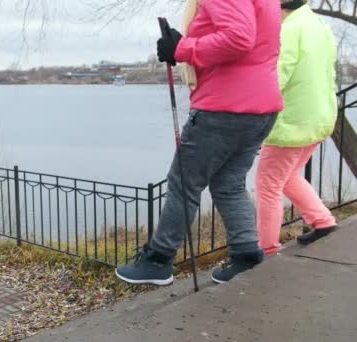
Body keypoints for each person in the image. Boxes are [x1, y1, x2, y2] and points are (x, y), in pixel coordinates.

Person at [116, 0, 283, 285]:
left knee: (183, 182)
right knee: (228, 183)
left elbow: (238, 38)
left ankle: (158, 259)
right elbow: (250, 39)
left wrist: (181, 49)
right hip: (261, 107)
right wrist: (182, 45)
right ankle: (246, 254)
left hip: (225, 107)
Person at [257, 0, 338, 257]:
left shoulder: (288, 30)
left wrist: (250, 102)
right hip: (318, 118)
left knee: (267, 184)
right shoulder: (317, 24)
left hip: (291, 123)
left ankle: (266, 250)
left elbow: (277, 75)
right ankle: (323, 221)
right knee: (288, 176)